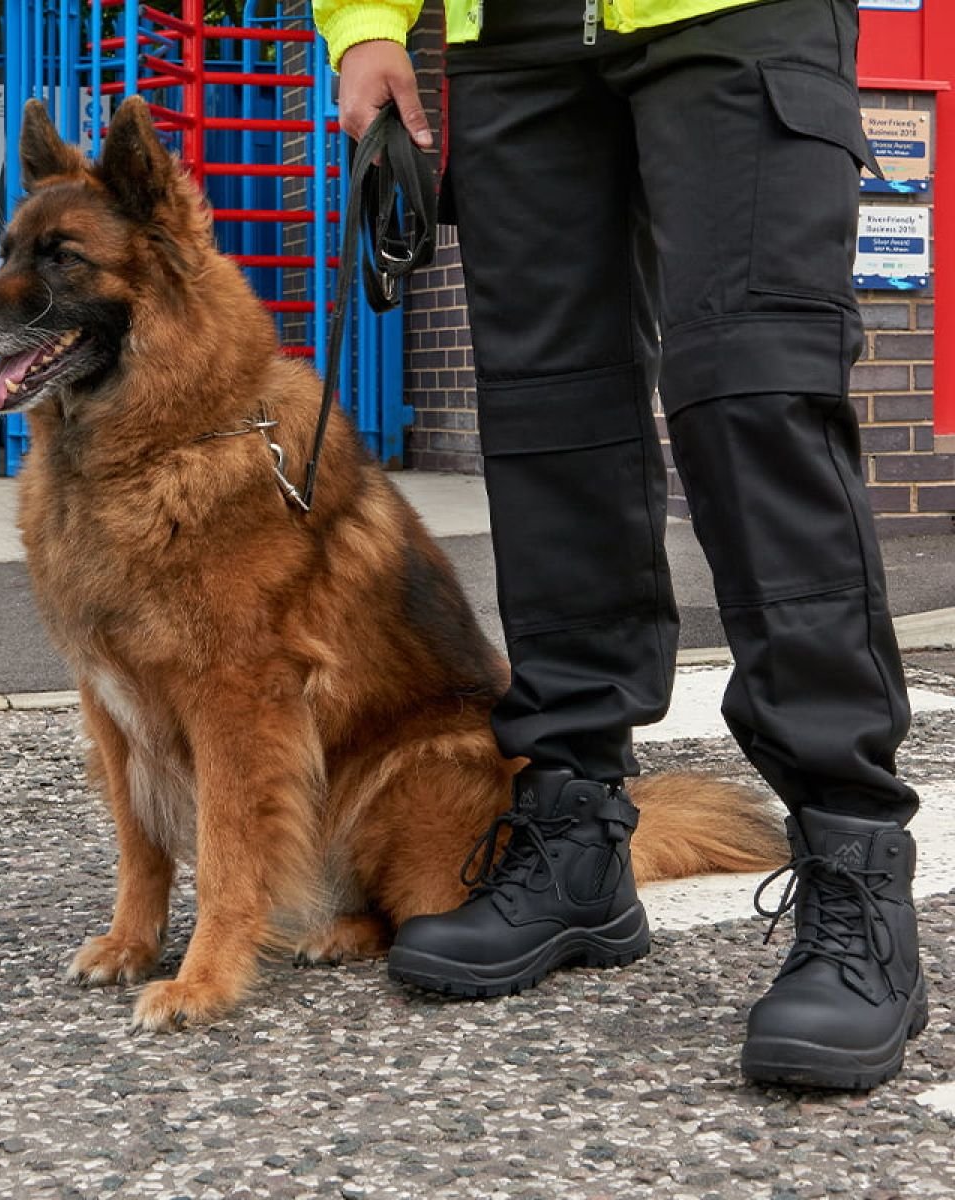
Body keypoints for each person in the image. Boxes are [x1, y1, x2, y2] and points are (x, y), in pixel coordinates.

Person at [311, 0, 927, 1090]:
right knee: (554, 423)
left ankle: (854, 863)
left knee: (755, 397)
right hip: (516, 37)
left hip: (738, 16)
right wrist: (366, 19)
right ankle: (572, 836)